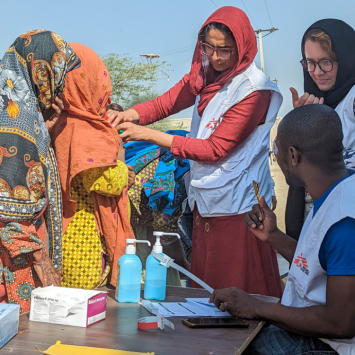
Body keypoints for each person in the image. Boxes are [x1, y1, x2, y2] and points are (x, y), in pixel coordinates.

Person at [107, 6, 283, 296]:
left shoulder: (253, 90)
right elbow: (165, 103)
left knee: (241, 289)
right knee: (207, 292)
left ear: (242, 46)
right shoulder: (205, 75)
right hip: (208, 198)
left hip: (239, 203)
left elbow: (216, 149)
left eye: (224, 50)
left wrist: (148, 135)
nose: (215, 57)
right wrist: (129, 115)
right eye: (208, 47)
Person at [211, 104, 355, 355]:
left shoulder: (344, 221)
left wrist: (255, 306)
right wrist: (273, 236)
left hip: (327, 346)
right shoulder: (336, 192)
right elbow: (316, 263)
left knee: (221, 347)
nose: (275, 155)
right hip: (314, 334)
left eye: (275, 149)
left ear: (292, 156)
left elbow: (341, 323)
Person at [0, 30, 81, 313]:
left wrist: (44, 130)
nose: (61, 83)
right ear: (41, 70)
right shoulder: (17, 117)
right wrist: (43, 263)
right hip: (14, 266)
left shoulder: (14, 107)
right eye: (59, 73)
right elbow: (11, 210)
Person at [51, 43, 134, 289]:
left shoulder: (58, 120)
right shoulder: (82, 128)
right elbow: (103, 181)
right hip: (81, 240)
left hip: (66, 233)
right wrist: (122, 169)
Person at [286, 19, 355, 240]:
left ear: (345, 57)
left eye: (326, 62)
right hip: (319, 219)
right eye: (309, 63)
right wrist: (301, 122)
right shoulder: (315, 103)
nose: (316, 72)